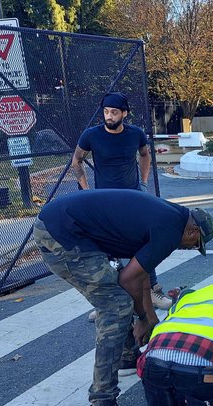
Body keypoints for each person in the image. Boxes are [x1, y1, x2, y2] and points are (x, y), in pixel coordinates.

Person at [32, 189, 213, 406]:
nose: (189, 248)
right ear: (193, 232)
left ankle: (126, 358)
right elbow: (129, 280)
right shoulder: (170, 231)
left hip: (63, 225)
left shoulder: (171, 217)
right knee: (116, 306)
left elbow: (139, 272)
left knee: (121, 299)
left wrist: (150, 318)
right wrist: (142, 319)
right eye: (195, 245)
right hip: (63, 233)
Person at [71, 93, 171, 310]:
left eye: (114, 112)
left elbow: (145, 155)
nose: (109, 116)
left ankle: (152, 291)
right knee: (107, 249)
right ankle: (110, 302)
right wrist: (87, 191)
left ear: (124, 113)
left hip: (133, 198)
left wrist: (143, 184)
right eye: (106, 112)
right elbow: (77, 160)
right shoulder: (91, 135)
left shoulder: (135, 134)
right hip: (104, 202)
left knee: (143, 242)